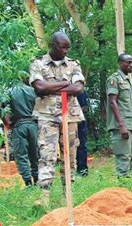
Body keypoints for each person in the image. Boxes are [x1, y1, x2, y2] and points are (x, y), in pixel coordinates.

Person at [30, 32, 85, 207]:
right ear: (53, 45)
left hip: (70, 116)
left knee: (70, 157)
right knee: (47, 155)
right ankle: (44, 197)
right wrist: (64, 84)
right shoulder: (38, 63)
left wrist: (51, 87)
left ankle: (66, 195)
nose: (66, 51)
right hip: (47, 116)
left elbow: (78, 89)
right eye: (63, 47)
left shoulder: (74, 64)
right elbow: (39, 87)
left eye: (68, 47)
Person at [106, 53, 132, 180]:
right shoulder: (114, 79)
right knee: (123, 156)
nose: (131, 65)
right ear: (120, 63)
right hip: (121, 124)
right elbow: (112, 102)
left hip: (130, 124)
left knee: (131, 156)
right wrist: (121, 125)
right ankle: (122, 184)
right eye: (128, 62)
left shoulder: (128, 81)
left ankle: (126, 184)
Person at [2, 76, 39, 187]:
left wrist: (8, 123)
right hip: (33, 125)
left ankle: (28, 183)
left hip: (18, 125)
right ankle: (37, 179)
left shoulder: (9, 92)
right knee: (35, 153)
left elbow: (1, 108)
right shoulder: (32, 91)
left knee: (21, 155)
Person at [76, 91, 89, 177]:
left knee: (81, 146)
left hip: (79, 121)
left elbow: (85, 107)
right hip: (69, 120)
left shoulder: (79, 90)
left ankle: (82, 170)